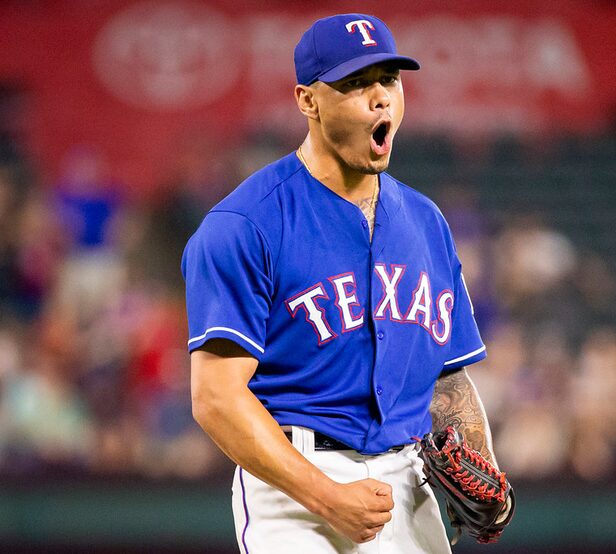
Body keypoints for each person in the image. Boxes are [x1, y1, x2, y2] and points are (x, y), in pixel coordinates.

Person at [182, 13, 502, 553]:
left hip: (411, 482)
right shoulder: (245, 225)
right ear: (308, 100)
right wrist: (326, 495)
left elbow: (446, 377)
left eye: (390, 80)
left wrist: (487, 470)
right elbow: (215, 397)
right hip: (298, 484)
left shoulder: (427, 222)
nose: (381, 98)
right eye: (357, 83)